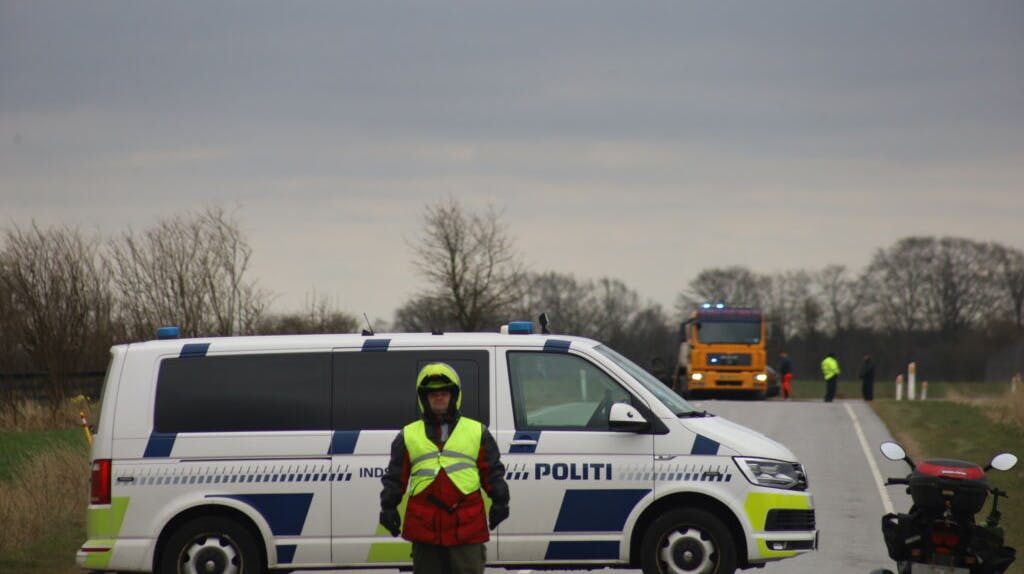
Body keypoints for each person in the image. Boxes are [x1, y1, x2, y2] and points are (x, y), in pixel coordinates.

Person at [379, 362, 510, 574]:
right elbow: (395, 478)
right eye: (432, 394)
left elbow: (493, 472)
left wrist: (500, 501)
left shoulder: (477, 432)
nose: (438, 397)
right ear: (424, 399)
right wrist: (388, 507)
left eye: (444, 393)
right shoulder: (407, 435)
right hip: (425, 529)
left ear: (453, 396)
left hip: (466, 528)